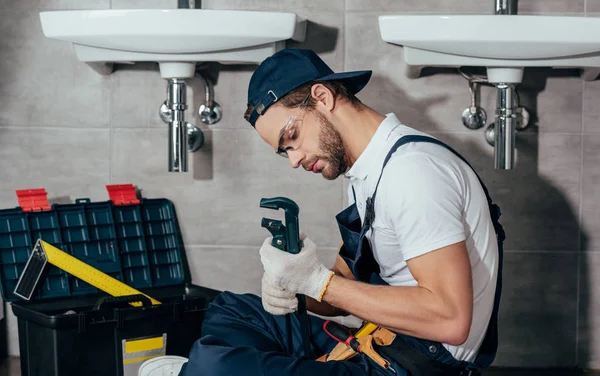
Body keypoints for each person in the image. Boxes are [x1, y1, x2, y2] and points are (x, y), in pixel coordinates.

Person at [138, 48, 505, 376]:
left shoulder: (413, 172)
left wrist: (319, 283)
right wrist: (294, 286)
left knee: (212, 365)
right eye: (284, 151)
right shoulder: (366, 171)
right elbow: (345, 287)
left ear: (323, 97)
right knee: (231, 308)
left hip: (411, 365)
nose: (294, 160)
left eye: (291, 138)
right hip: (377, 340)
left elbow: (450, 319)